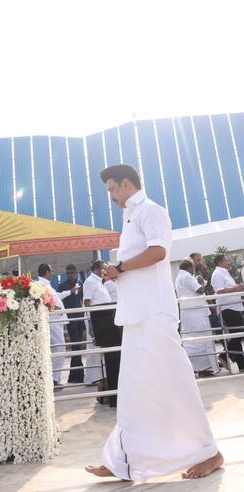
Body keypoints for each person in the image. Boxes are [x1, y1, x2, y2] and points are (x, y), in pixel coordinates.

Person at [86, 164, 222, 481]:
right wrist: (119, 268)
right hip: (137, 314)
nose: (110, 195)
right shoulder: (130, 216)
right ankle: (123, 460)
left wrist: (119, 267)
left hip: (155, 315)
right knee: (134, 389)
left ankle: (210, 452)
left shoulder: (151, 210)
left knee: (175, 381)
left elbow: (159, 251)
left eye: (111, 189)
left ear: (126, 184)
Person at [175, 259, 219, 376]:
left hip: (190, 313)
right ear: (190, 267)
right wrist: (202, 282)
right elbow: (200, 290)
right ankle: (204, 368)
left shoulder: (179, 277)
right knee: (202, 340)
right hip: (196, 314)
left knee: (193, 341)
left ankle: (201, 368)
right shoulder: (187, 277)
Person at [210, 254, 244, 371]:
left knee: (238, 334)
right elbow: (219, 291)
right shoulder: (217, 274)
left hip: (235, 306)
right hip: (228, 308)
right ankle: (225, 357)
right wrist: (236, 289)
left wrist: (237, 287)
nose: (228, 262)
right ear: (220, 262)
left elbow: (229, 287)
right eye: (226, 260)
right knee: (238, 334)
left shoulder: (225, 272)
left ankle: (238, 362)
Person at [37, 264, 69, 387]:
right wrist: (52, 306)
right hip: (53, 319)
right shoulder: (40, 284)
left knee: (59, 348)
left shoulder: (47, 284)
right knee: (60, 347)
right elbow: (41, 300)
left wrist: (70, 292)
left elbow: (56, 297)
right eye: (51, 271)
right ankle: (53, 379)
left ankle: (55, 378)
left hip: (57, 319)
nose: (52, 273)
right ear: (46, 272)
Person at [82, 260, 109, 385]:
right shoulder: (90, 281)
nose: (105, 271)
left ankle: (97, 377)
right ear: (98, 268)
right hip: (95, 319)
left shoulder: (99, 282)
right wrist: (91, 321)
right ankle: (92, 378)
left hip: (103, 318)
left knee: (99, 349)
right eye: (104, 268)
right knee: (93, 348)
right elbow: (87, 301)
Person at [58, 264, 85, 383]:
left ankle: (76, 375)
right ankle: (76, 375)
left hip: (80, 318)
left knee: (78, 345)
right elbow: (59, 300)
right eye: (68, 273)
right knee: (75, 345)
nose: (70, 275)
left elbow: (83, 299)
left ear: (76, 272)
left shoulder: (81, 284)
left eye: (72, 272)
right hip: (70, 319)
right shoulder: (62, 286)